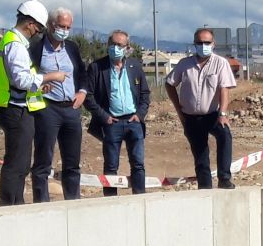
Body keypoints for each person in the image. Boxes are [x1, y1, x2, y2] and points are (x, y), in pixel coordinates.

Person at [0, 0, 67, 206]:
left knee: (21, 163)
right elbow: (21, 80)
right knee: (17, 163)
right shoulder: (15, 44)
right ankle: (11, 205)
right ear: (30, 23)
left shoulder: (15, 42)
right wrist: (50, 77)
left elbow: (22, 80)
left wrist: (39, 86)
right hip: (14, 110)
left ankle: (16, 203)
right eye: (39, 28)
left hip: (18, 106)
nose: (37, 32)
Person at [165, 27, 238, 189]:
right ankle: (205, 188)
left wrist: (223, 113)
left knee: (225, 135)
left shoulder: (221, 63)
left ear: (213, 44)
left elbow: (224, 88)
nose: (203, 45)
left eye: (207, 42)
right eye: (200, 42)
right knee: (200, 155)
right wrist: (179, 110)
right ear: (194, 44)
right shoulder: (185, 64)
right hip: (191, 117)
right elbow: (170, 83)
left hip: (213, 114)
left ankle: (224, 178)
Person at [28, 7, 88, 202]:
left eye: (68, 27)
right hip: (47, 109)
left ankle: (73, 202)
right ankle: (42, 204)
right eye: (61, 26)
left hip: (71, 108)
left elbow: (82, 73)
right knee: (43, 161)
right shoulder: (36, 49)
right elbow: (26, 77)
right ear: (50, 25)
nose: (64, 30)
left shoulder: (71, 47)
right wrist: (38, 88)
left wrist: (82, 92)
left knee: (72, 162)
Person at [87, 29, 152, 196]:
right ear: (108, 45)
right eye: (113, 44)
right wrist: (104, 117)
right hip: (111, 123)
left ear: (127, 48)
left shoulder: (135, 66)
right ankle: (110, 201)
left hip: (133, 122)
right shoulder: (97, 67)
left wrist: (140, 114)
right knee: (110, 166)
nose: (115, 48)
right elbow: (88, 96)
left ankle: (139, 197)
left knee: (138, 164)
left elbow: (145, 94)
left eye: (120, 45)